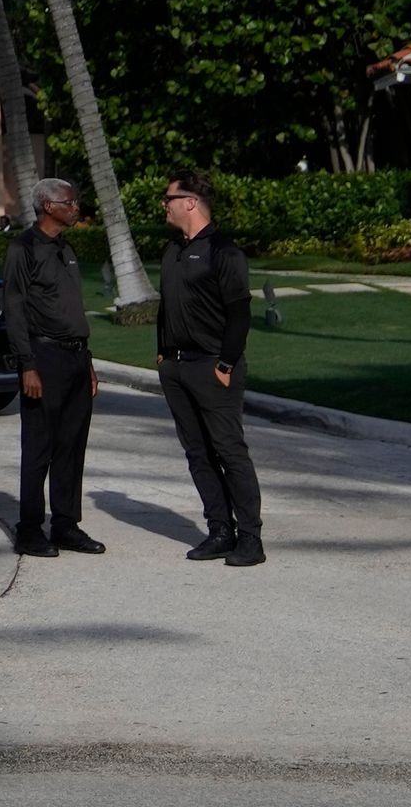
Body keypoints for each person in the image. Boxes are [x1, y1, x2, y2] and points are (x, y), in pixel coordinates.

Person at [155, 168, 263, 564]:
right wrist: (163, 353)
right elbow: (167, 307)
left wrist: (226, 363)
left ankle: (250, 538)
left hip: (214, 367)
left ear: (190, 202)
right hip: (177, 368)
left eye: (168, 199)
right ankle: (220, 531)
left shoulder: (224, 251)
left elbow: (239, 313)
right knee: (197, 454)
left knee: (229, 451)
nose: (164, 206)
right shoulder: (172, 251)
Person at [1, 177, 103, 558]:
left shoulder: (67, 248)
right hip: (43, 359)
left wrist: (88, 362)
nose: (76, 207)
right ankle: (29, 529)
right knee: (39, 446)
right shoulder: (22, 249)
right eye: (70, 202)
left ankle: (65, 525)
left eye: (76, 201)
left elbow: (72, 311)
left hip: (76, 358)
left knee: (72, 446)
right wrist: (27, 365)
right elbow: (14, 308)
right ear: (48, 206)